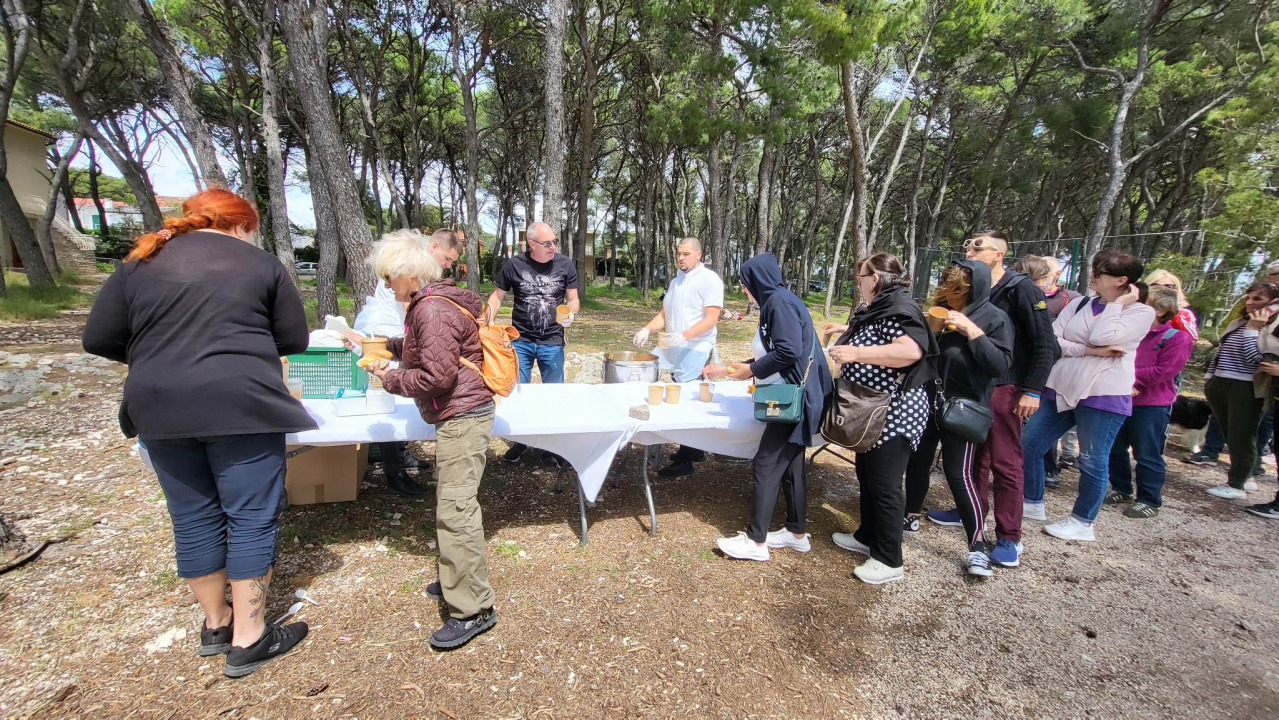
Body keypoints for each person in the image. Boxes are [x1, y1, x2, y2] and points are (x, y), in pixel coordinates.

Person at [82, 189, 314, 677]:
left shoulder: (140, 261)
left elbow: (97, 338)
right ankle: (250, 639)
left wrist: (162, 359)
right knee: (250, 515)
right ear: (240, 225)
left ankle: (216, 624)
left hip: (159, 405)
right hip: (241, 403)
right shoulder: (259, 264)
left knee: (191, 515)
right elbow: (294, 338)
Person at [363, 232, 498, 649]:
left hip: (462, 415)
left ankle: (474, 608)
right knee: (453, 503)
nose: (388, 283)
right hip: (462, 414)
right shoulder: (434, 304)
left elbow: (436, 376)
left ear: (409, 272)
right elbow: (433, 348)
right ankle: (458, 578)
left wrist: (390, 378)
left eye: (389, 275)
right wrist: (389, 345)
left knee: (456, 510)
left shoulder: (431, 309)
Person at [928, 232, 1053, 570]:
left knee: (1005, 460)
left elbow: (1045, 344)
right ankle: (971, 511)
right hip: (973, 386)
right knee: (974, 460)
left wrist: (1033, 390)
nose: (968, 250)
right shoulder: (974, 288)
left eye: (976, 247)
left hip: (1007, 386)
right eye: (968, 245)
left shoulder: (1021, 288)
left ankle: (1010, 535)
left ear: (999, 254)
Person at [704, 253, 833, 563]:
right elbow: (779, 350)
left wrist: (752, 371)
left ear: (757, 281)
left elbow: (789, 350)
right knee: (791, 466)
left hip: (793, 399)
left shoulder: (779, 303)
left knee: (766, 463)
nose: (744, 290)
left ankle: (756, 540)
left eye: (746, 284)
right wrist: (733, 368)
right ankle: (796, 533)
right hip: (796, 395)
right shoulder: (778, 301)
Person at [1021, 250, 1156, 542]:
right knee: (1029, 443)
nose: (1092, 275)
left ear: (1122, 280)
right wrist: (1090, 352)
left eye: (1100, 272)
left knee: (1093, 458)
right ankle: (1032, 501)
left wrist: (1118, 305)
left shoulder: (1142, 311)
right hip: (1062, 386)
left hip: (1103, 392)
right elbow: (1053, 339)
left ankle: (1083, 521)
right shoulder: (1081, 302)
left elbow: (1104, 337)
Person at [825, 253, 936, 585]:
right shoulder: (883, 307)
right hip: (872, 409)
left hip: (896, 411)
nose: (858, 284)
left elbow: (910, 351)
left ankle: (889, 559)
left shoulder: (900, 306)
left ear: (875, 278)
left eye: (860, 278)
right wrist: (848, 331)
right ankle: (867, 536)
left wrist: (856, 353)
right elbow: (880, 336)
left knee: (885, 484)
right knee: (868, 474)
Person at [904, 261, 1014, 578]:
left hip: (964, 409)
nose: (950, 297)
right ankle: (910, 515)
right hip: (929, 403)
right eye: (947, 289)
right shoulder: (938, 311)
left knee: (959, 474)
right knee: (917, 461)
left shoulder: (994, 318)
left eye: (958, 292)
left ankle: (977, 546)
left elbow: (999, 364)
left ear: (973, 290)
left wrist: (969, 329)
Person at [353, 229, 462, 497]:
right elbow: (409, 317)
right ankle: (395, 470)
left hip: (398, 336)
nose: (448, 266)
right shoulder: (406, 270)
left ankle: (401, 455)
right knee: (389, 401)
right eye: (448, 259)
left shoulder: (423, 283)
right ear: (434, 247)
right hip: (386, 329)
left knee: (400, 396)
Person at [488, 222, 580, 464]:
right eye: (547, 243)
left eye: (554, 242)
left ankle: (555, 447)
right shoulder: (515, 265)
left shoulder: (564, 264)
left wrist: (570, 314)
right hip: (522, 341)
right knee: (519, 393)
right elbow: (497, 297)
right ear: (531, 243)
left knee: (554, 394)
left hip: (552, 340)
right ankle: (522, 441)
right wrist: (484, 323)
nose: (553, 247)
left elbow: (573, 298)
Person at [632, 237, 724, 478]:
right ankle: (695, 450)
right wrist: (647, 329)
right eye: (678, 254)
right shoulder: (676, 281)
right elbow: (665, 313)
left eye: (686, 254)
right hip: (675, 344)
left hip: (697, 345)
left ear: (699, 254)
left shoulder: (709, 280)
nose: (681, 258)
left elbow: (711, 318)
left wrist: (686, 336)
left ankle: (686, 459)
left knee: (688, 399)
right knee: (671, 386)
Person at [1104, 286, 1194, 518]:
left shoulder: (1177, 338)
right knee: (1115, 448)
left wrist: (1129, 378)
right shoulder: (1131, 333)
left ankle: (1149, 499)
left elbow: (1164, 371)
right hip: (1120, 398)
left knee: (1146, 453)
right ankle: (1121, 489)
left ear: (1162, 310)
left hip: (1151, 405)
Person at [1200, 282, 1279, 499]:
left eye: (1258, 299)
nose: (1250, 303)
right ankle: (1243, 476)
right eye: (1249, 298)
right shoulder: (1238, 322)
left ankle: (1237, 484)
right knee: (1228, 432)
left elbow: (1257, 359)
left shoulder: (1271, 328)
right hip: (1221, 382)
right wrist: (1210, 378)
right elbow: (1221, 351)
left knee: (1242, 435)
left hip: (1247, 387)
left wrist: (1254, 329)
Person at [1019, 255, 1081, 488]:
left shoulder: (1071, 299)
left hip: (1049, 374)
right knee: (1029, 430)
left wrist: (1033, 388)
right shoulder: (1018, 295)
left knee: (1041, 428)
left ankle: (1049, 470)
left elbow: (1053, 343)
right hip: (1023, 371)